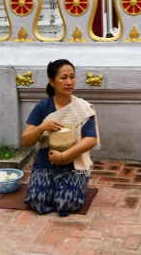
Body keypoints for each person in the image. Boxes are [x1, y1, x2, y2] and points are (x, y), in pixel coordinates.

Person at [21, 59, 99, 216]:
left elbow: (91, 139)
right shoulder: (42, 107)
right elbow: (25, 141)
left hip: (73, 166)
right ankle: (54, 187)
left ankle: (66, 187)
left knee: (66, 204)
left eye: (72, 77)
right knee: (37, 202)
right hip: (45, 164)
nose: (69, 82)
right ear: (52, 81)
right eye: (63, 78)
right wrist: (42, 128)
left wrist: (62, 156)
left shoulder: (82, 108)